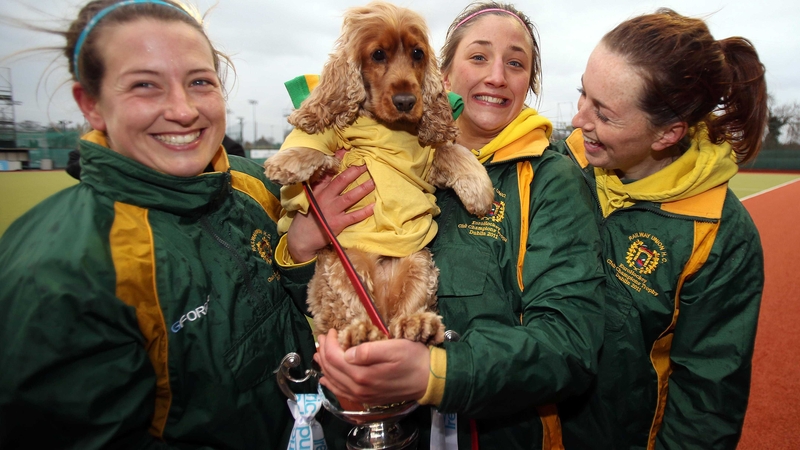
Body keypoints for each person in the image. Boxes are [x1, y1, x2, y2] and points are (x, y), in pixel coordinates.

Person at [0, 0, 374, 448]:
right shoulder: (57, 270)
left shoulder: (254, 182)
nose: (182, 109)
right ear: (91, 104)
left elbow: (297, 314)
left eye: (199, 82)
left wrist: (298, 253)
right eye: (145, 85)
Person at [313, 2, 606, 449]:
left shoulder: (552, 179)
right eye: (478, 57)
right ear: (442, 74)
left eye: (516, 63)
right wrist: (300, 248)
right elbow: (321, 283)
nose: (497, 76)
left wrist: (435, 373)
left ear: (529, 82)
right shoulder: (379, 151)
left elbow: (570, 342)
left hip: (502, 435)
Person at [550, 9, 766, 449]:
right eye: (582, 95)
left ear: (667, 135)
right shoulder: (559, 162)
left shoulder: (720, 236)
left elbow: (706, 405)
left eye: (604, 115)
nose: (578, 120)